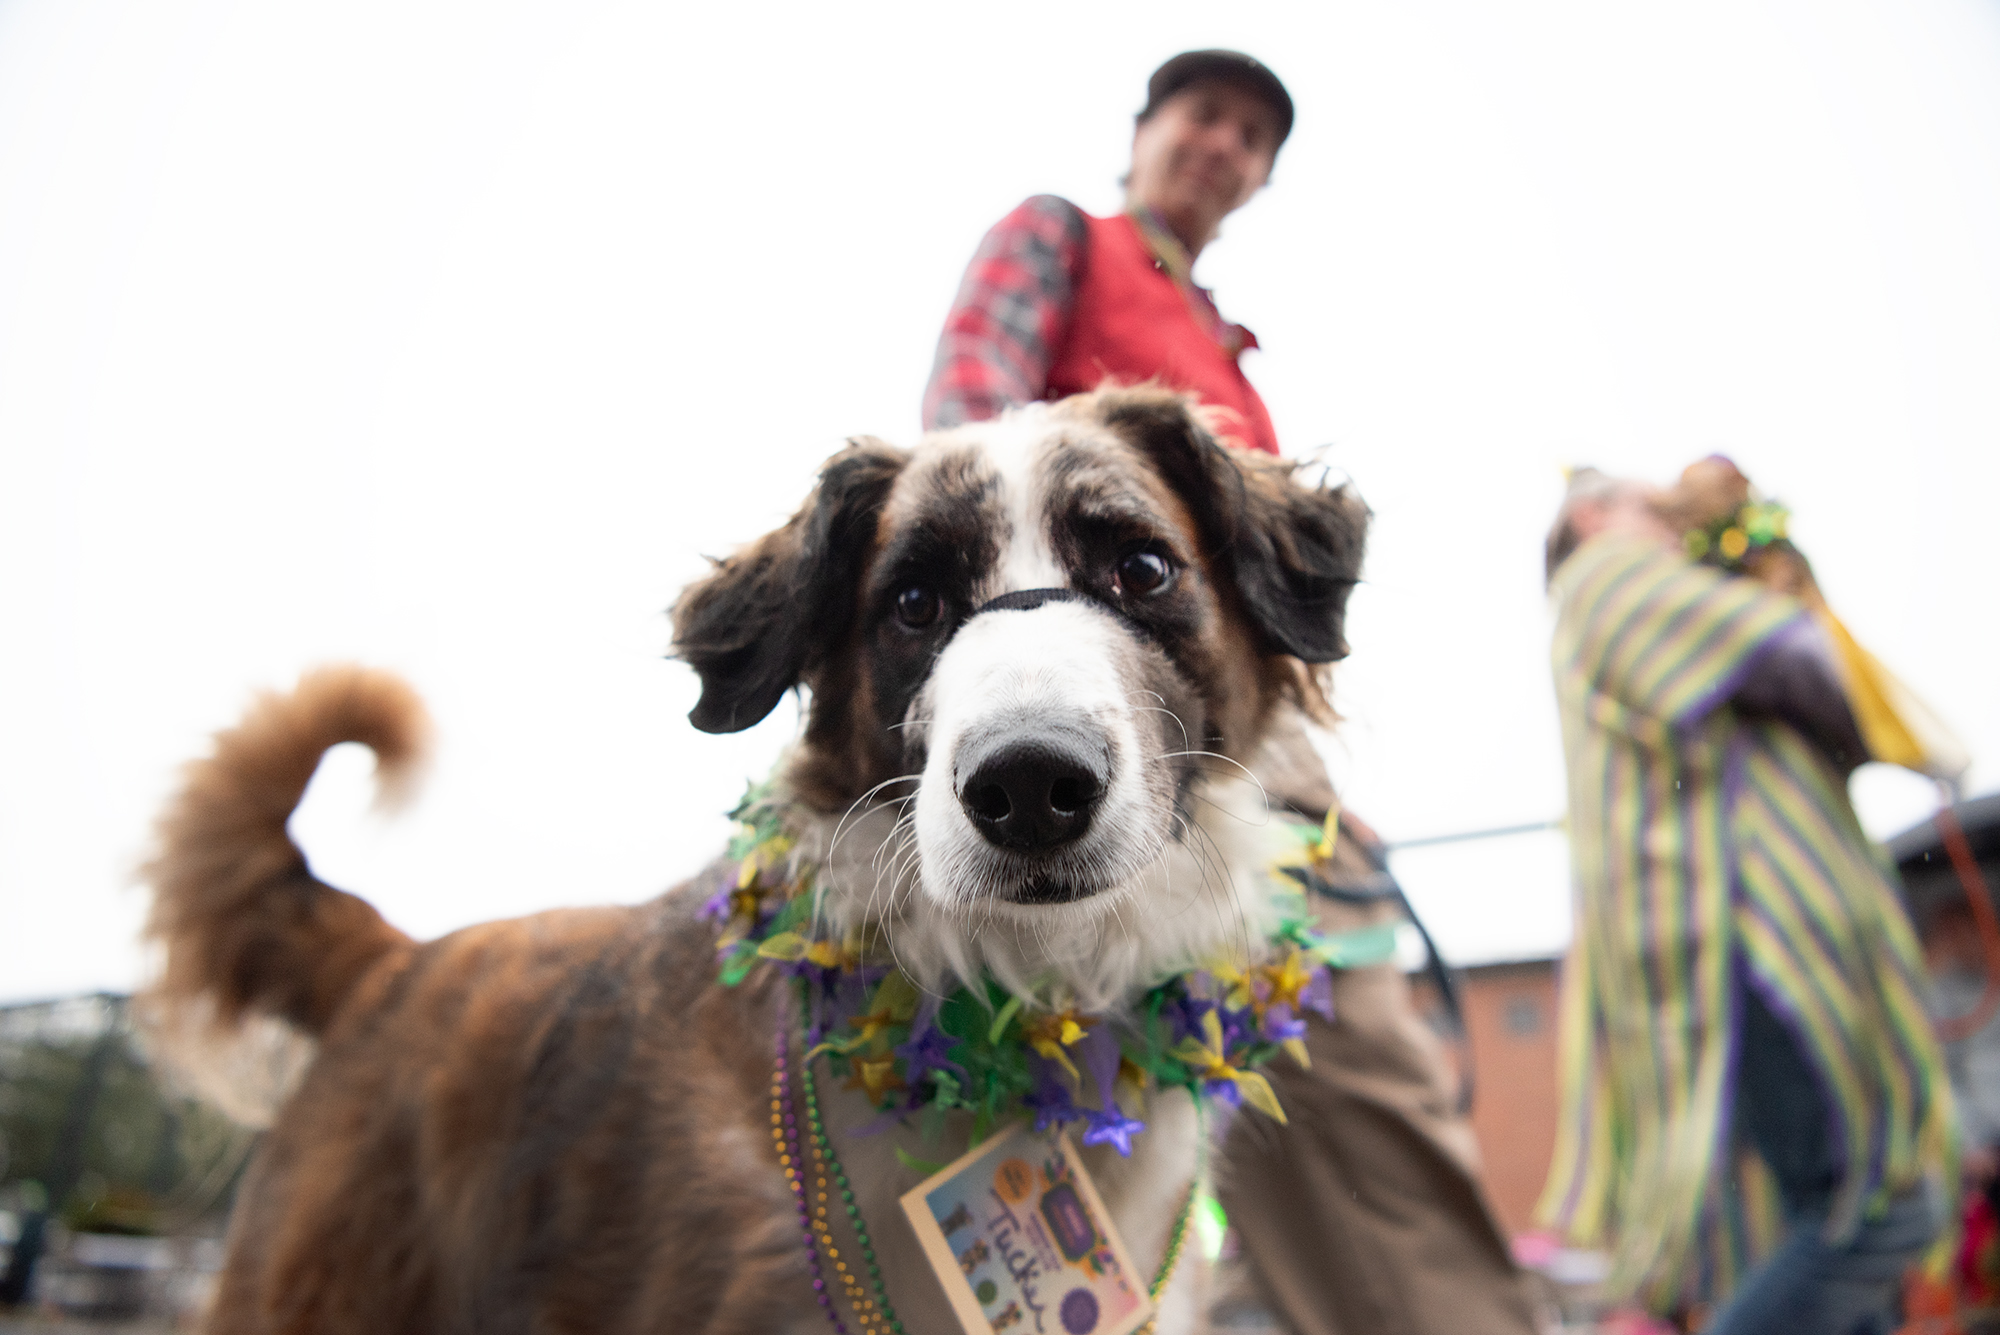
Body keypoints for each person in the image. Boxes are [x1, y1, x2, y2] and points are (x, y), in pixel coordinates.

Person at [923, 50, 1539, 1335]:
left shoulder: (1225, 347)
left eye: (1253, 135)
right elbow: (968, 445)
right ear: (1143, 131)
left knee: (1284, 1082)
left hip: (1250, 753)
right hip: (1079, 723)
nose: (1223, 144)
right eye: (1203, 115)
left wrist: (1303, 775)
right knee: (1329, 1076)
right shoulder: (1059, 239)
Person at [1536, 466, 1958, 1334]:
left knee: (1826, 1216)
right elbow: (1794, 656)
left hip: (1728, 941)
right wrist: (1779, 590)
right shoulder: (1608, 572)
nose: (1670, 527)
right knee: (1878, 1208)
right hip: (1762, 932)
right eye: (1648, 510)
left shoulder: (1597, 615)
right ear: (1591, 517)